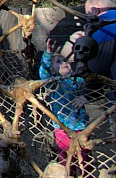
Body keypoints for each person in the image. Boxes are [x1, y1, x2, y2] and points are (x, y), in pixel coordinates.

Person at [40, 39, 90, 171]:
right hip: (62, 129)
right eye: (58, 62)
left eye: (65, 61)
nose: (64, 63)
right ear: (53, 71)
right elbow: (43, 73)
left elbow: (90, 85)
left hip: (80, 127)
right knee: (66, 160)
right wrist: (48, 55)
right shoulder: (54, 83)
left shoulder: (77, 80)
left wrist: (86, 97)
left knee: (84, 160)